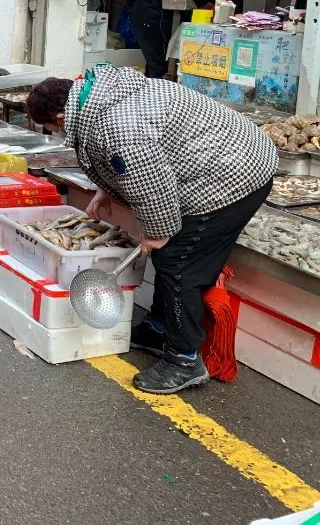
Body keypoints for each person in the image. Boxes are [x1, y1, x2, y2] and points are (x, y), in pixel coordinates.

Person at [25, 68, 276, 394]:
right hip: (219, 157)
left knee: (178, 262)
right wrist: (104, 189)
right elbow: (127, 163)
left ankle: (185, 360)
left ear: (61, 117)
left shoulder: (117, 127)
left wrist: (156, 233)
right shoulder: (98, 96)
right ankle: (159, 329)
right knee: (170, 253)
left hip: (235, 174)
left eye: (52, 128)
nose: (58, 133)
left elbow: (153, 185)